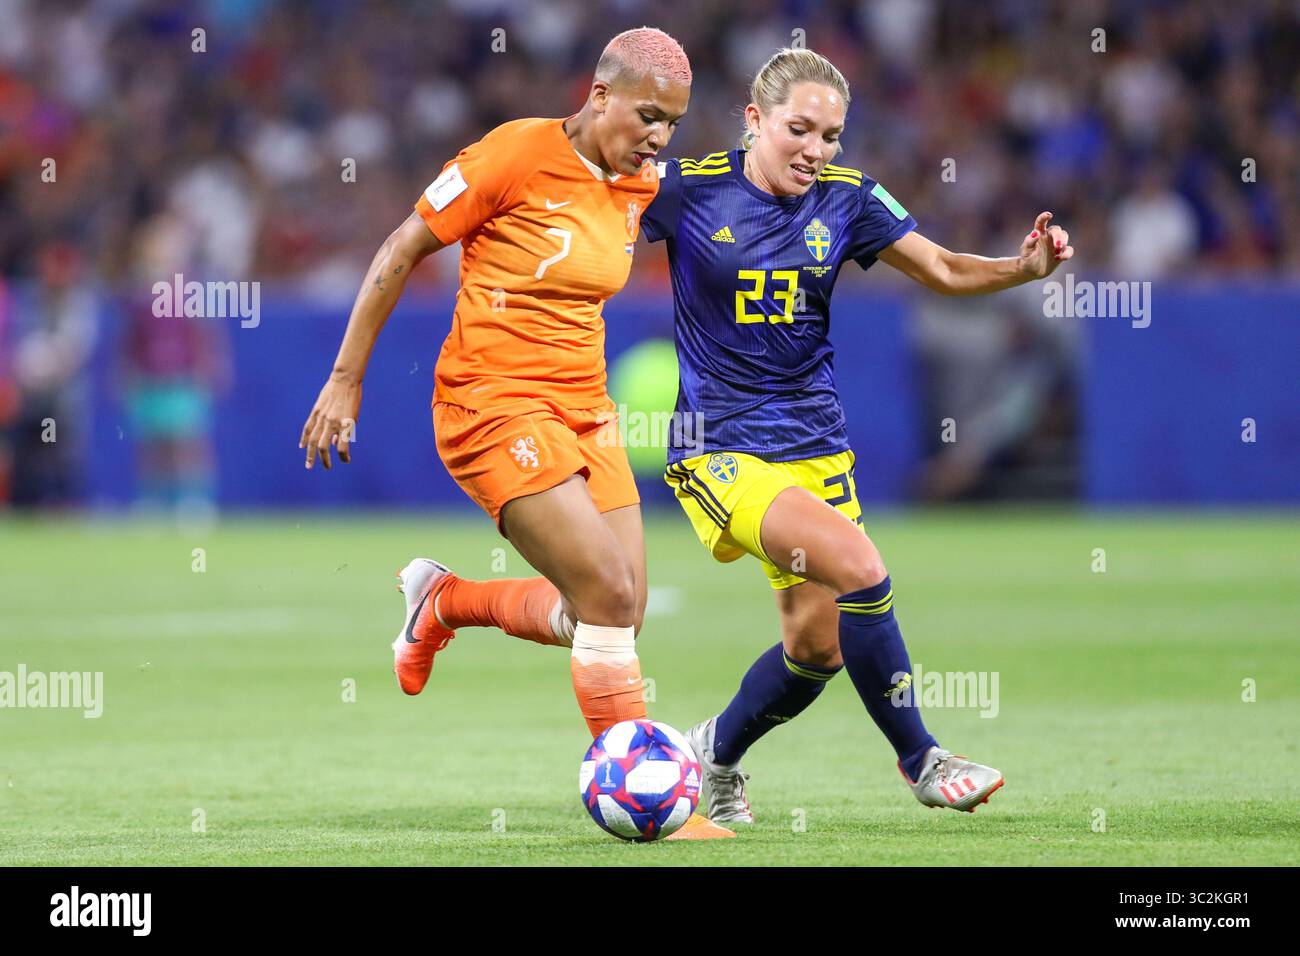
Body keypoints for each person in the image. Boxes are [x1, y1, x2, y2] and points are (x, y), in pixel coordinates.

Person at [298, 28, 729, 839]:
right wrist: (345, 378)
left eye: (672, 122)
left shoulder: (644, 184)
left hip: (587, 411)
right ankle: (646, 800)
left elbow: (750, 195)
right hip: (490, 403)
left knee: (618, 614)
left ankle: (446, 601)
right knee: (604, 591)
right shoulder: (514, 154)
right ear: (599, 94)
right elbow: (401, 248)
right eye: (647, 115)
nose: (659, 138)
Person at [637, 47, 1074, 822]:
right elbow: (584, 215)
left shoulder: (847, 200)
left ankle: (713, 755)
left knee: (818, 649)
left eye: (831, 135)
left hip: (816, 447)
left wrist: (1023, 268)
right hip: (721, 447)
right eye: (799, 130)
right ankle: (923, 760)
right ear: (754, 121)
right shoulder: (686, 190)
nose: (817, 150)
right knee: (862, 570)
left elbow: (941, 268)